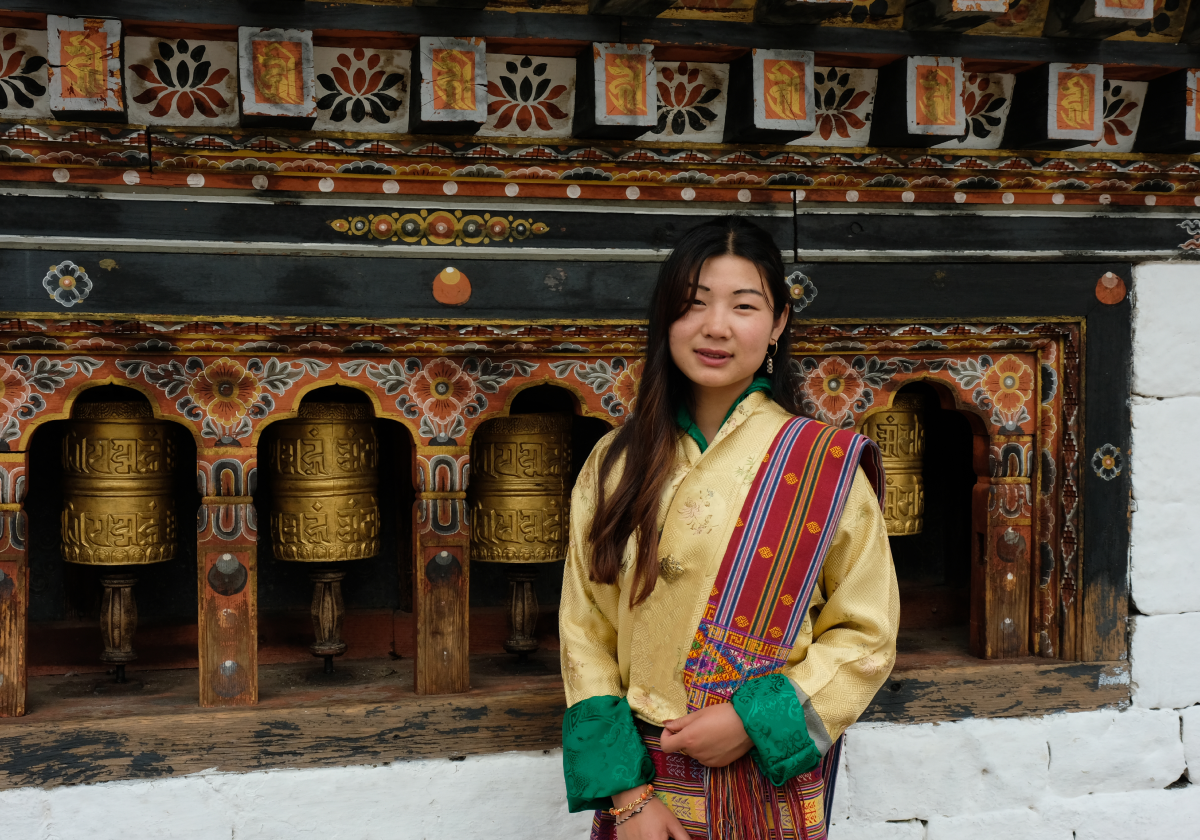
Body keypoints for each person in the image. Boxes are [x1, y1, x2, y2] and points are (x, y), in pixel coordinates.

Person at [558, 215, 899, 840]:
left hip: (767, 789)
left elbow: (866, 636)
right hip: (645, 795)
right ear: (666, 319)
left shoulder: (824, 464)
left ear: (778, 323)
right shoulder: (614, 465)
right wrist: (630, 799)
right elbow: (586, 637)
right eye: (693, 305)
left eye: (744, 306)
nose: (716, 327)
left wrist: (751, 721)